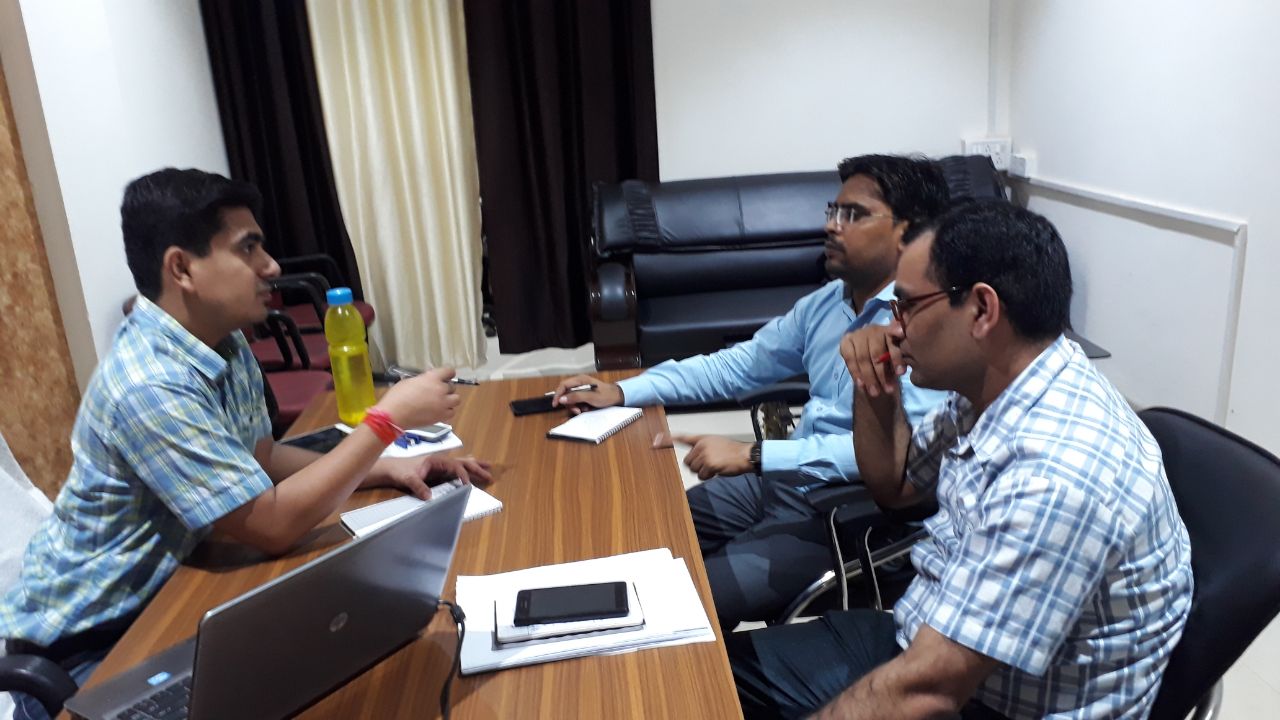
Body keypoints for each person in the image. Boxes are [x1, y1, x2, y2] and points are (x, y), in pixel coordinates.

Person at [0, 168, 491, 720]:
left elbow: (260, 457)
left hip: (170, 594)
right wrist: (385, 421)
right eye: (248, 248)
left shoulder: (223, 341)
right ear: (181, 268)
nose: (271, 266)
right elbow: (272, 524)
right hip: (86, 649)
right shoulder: (149, 386)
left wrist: (389, 467)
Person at [729, 201, 1193, 719]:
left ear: (981, 310)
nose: (893, 328)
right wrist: (874, 386)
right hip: (927, 636)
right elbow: (897, 486)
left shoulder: (1056, 473)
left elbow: (929, 692)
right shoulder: (993, 386)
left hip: (980, 700)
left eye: (906, 305)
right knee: (705, 675)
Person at [553, 155, 950, 628]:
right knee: (642, 529)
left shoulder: (923, 327)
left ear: (909, 232)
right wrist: (624, 391)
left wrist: (756, 454)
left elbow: (905, 458)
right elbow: (738, 366)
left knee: (682, 604)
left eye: (853, 214)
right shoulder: (828, 302)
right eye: (832, 210)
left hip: (850, 515)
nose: (831, 225)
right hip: (784, 483)